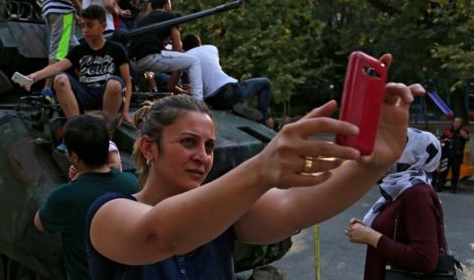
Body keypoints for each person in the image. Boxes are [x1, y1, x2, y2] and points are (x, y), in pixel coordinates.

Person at [86, 55, 424, 279]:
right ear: (148, 147)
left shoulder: (225, 212)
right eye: (188, 142)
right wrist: (263, 168)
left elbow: (294, 207)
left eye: (209, 146)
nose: (202, 156)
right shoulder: (109, 212)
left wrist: (372, 164)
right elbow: (160, 235)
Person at [34, 113, 139, 280]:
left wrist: (73, 183)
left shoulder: (65, 196)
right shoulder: (131, 183)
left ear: (74, 156)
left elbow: (40, 223)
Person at [346, 128, 445, 280]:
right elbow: (399, 232)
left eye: (394, 149)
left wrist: (371, 237)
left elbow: (425, 260)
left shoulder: (416, 193)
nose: (385, 154)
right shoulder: (401, 188)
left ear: (412, 154)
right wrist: (367, 229)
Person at [23, 5, 133, 126]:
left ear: (103, 27)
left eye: (90, 25)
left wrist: (126, 111)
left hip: (107, 94)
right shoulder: (79, 50)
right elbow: (57, 67)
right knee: (60, 78)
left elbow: (127, 82)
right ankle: (75, 127)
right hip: (85, 93)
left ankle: (108, 128)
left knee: (114, 84)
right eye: (82, 25)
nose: (85, 30)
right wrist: (34, 76)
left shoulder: (116, 49)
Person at [129, 0, 203, 100]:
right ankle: (198, 101)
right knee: (193, 61)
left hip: (134, 63)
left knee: (179, 62)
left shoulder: (143, 20)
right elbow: (177, 48)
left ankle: (172, 88)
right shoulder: (170, 17)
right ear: (167, 5)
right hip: (149, 58)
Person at [182, 33, 272, 122]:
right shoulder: (211, 48)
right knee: (265, 83)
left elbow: (187, 85)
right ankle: (263, 118)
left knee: (228, 98)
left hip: (211, 101)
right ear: (199, 42)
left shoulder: (183, 58)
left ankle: (234, 106)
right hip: (228, 91)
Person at [41, 0, 84, 99]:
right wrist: (80, 8)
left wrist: (75, 16)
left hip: (51, 11)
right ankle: (47, 89)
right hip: (62, 13)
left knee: (75, 49)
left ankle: (85, 81)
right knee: (58, 52)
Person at [69, 111, 123, 180]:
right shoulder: (86, 145)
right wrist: (75, 167)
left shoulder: (110, 147)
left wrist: (89, 172)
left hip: (110, 180)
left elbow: (116, 165)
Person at [437, 116, 469, 193]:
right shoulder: (448, 131)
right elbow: (441, 140)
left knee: (455, 171)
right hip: (447, 154)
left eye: (458, 122)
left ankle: (453, 188)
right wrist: (445, 140)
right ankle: (439, 186)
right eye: (455, 122)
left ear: (461, 123)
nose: (456, 123)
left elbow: (467, 138)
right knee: (443, 170)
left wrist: (460, 130)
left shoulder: (463, 131)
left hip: (457, 155)